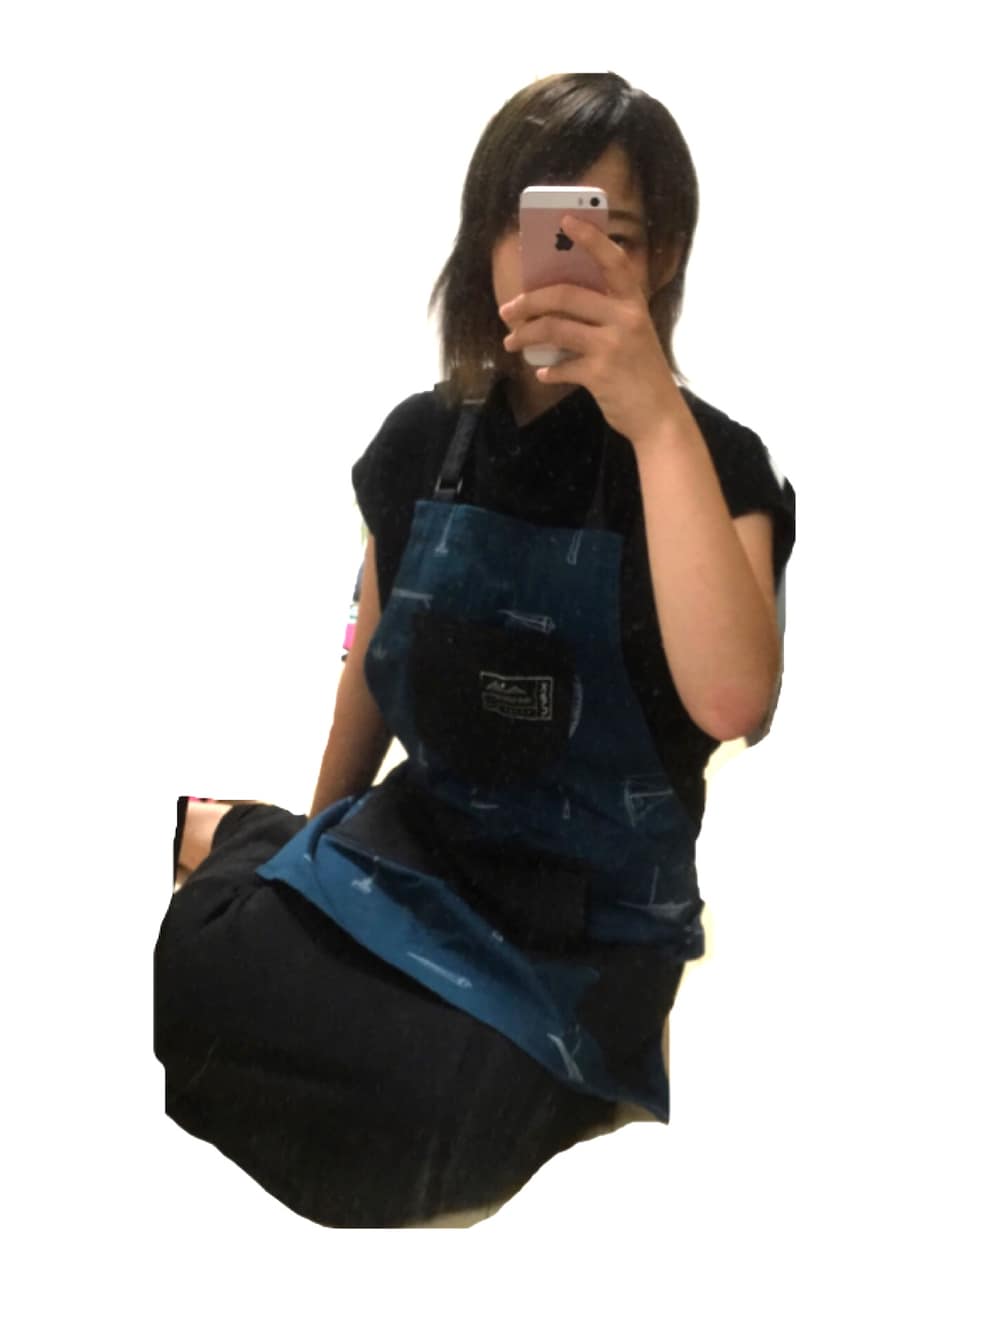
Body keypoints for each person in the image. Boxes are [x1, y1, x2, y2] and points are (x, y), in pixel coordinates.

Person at [155, 71, 797, 1229]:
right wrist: (310, 846)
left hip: (585, 922)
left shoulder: (717, 462)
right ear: (486, 237)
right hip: (417, 852)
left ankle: (227, 836)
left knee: (440, 1123)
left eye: (612, 232)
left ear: (661, 259)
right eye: (535, 220)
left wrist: (654, 418)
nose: (564, 257)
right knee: (205, 970)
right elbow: (368, 654)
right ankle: (255, 840)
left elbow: (732, 699)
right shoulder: (419, 441)